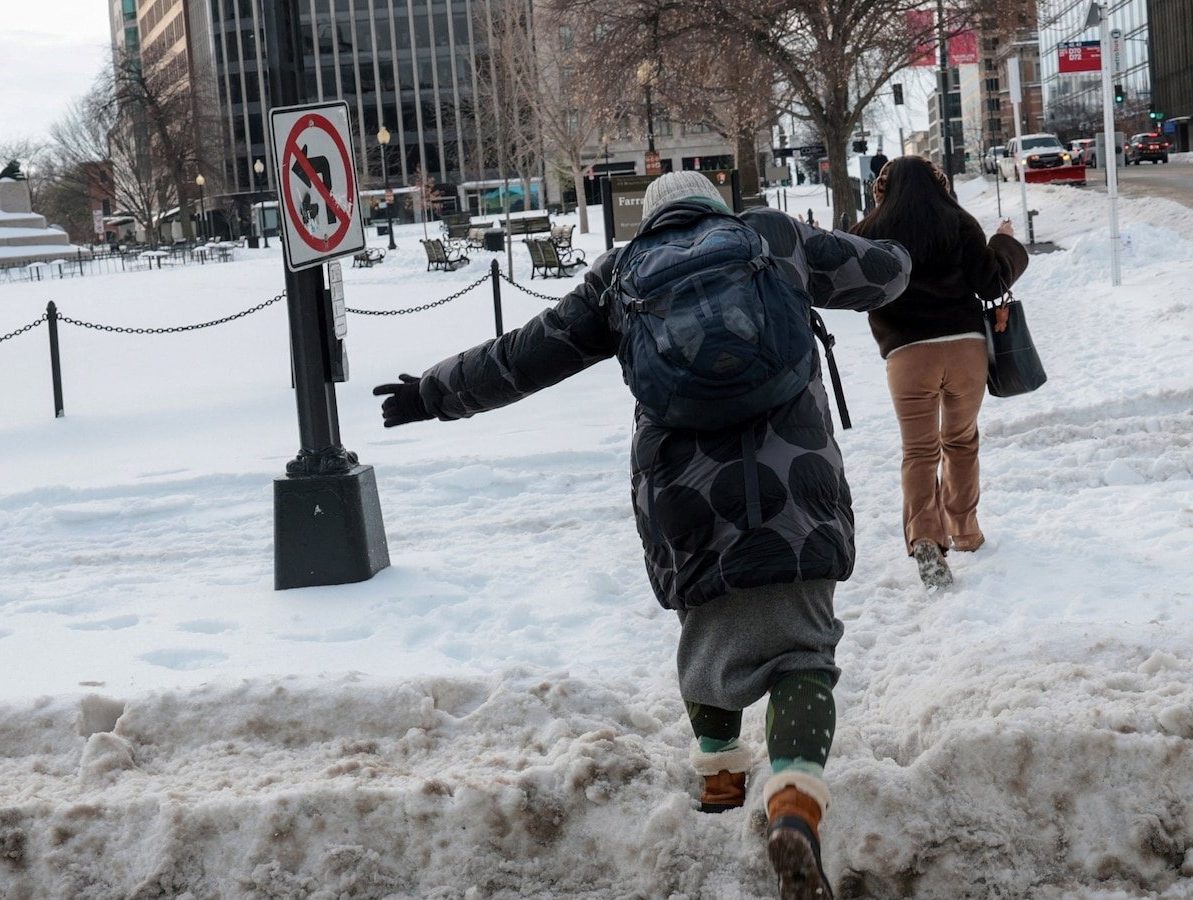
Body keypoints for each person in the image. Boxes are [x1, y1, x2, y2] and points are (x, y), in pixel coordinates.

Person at [373, 170, 912, 899]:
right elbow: (887, 275)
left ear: (651, 220)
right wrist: (900, 228)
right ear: (714, 204)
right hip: (797, 480)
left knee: (709, 631)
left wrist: (432, 392)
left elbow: (524, 356)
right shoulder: (771, 236)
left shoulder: (618, 276)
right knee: (802, 653)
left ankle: (720, 781)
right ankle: (793, 805)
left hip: (684, 496)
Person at [850, 156, 1028, 588]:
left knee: (919, 451)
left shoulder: (868, 233)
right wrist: (1004, 242)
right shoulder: (958, 222)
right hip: (966, 348)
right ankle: (965, 531)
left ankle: (925, 538)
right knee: (961, 441)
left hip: (908, 355)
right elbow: (991, 282)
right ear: (939, 184)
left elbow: (855, 290)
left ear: (882, 188)